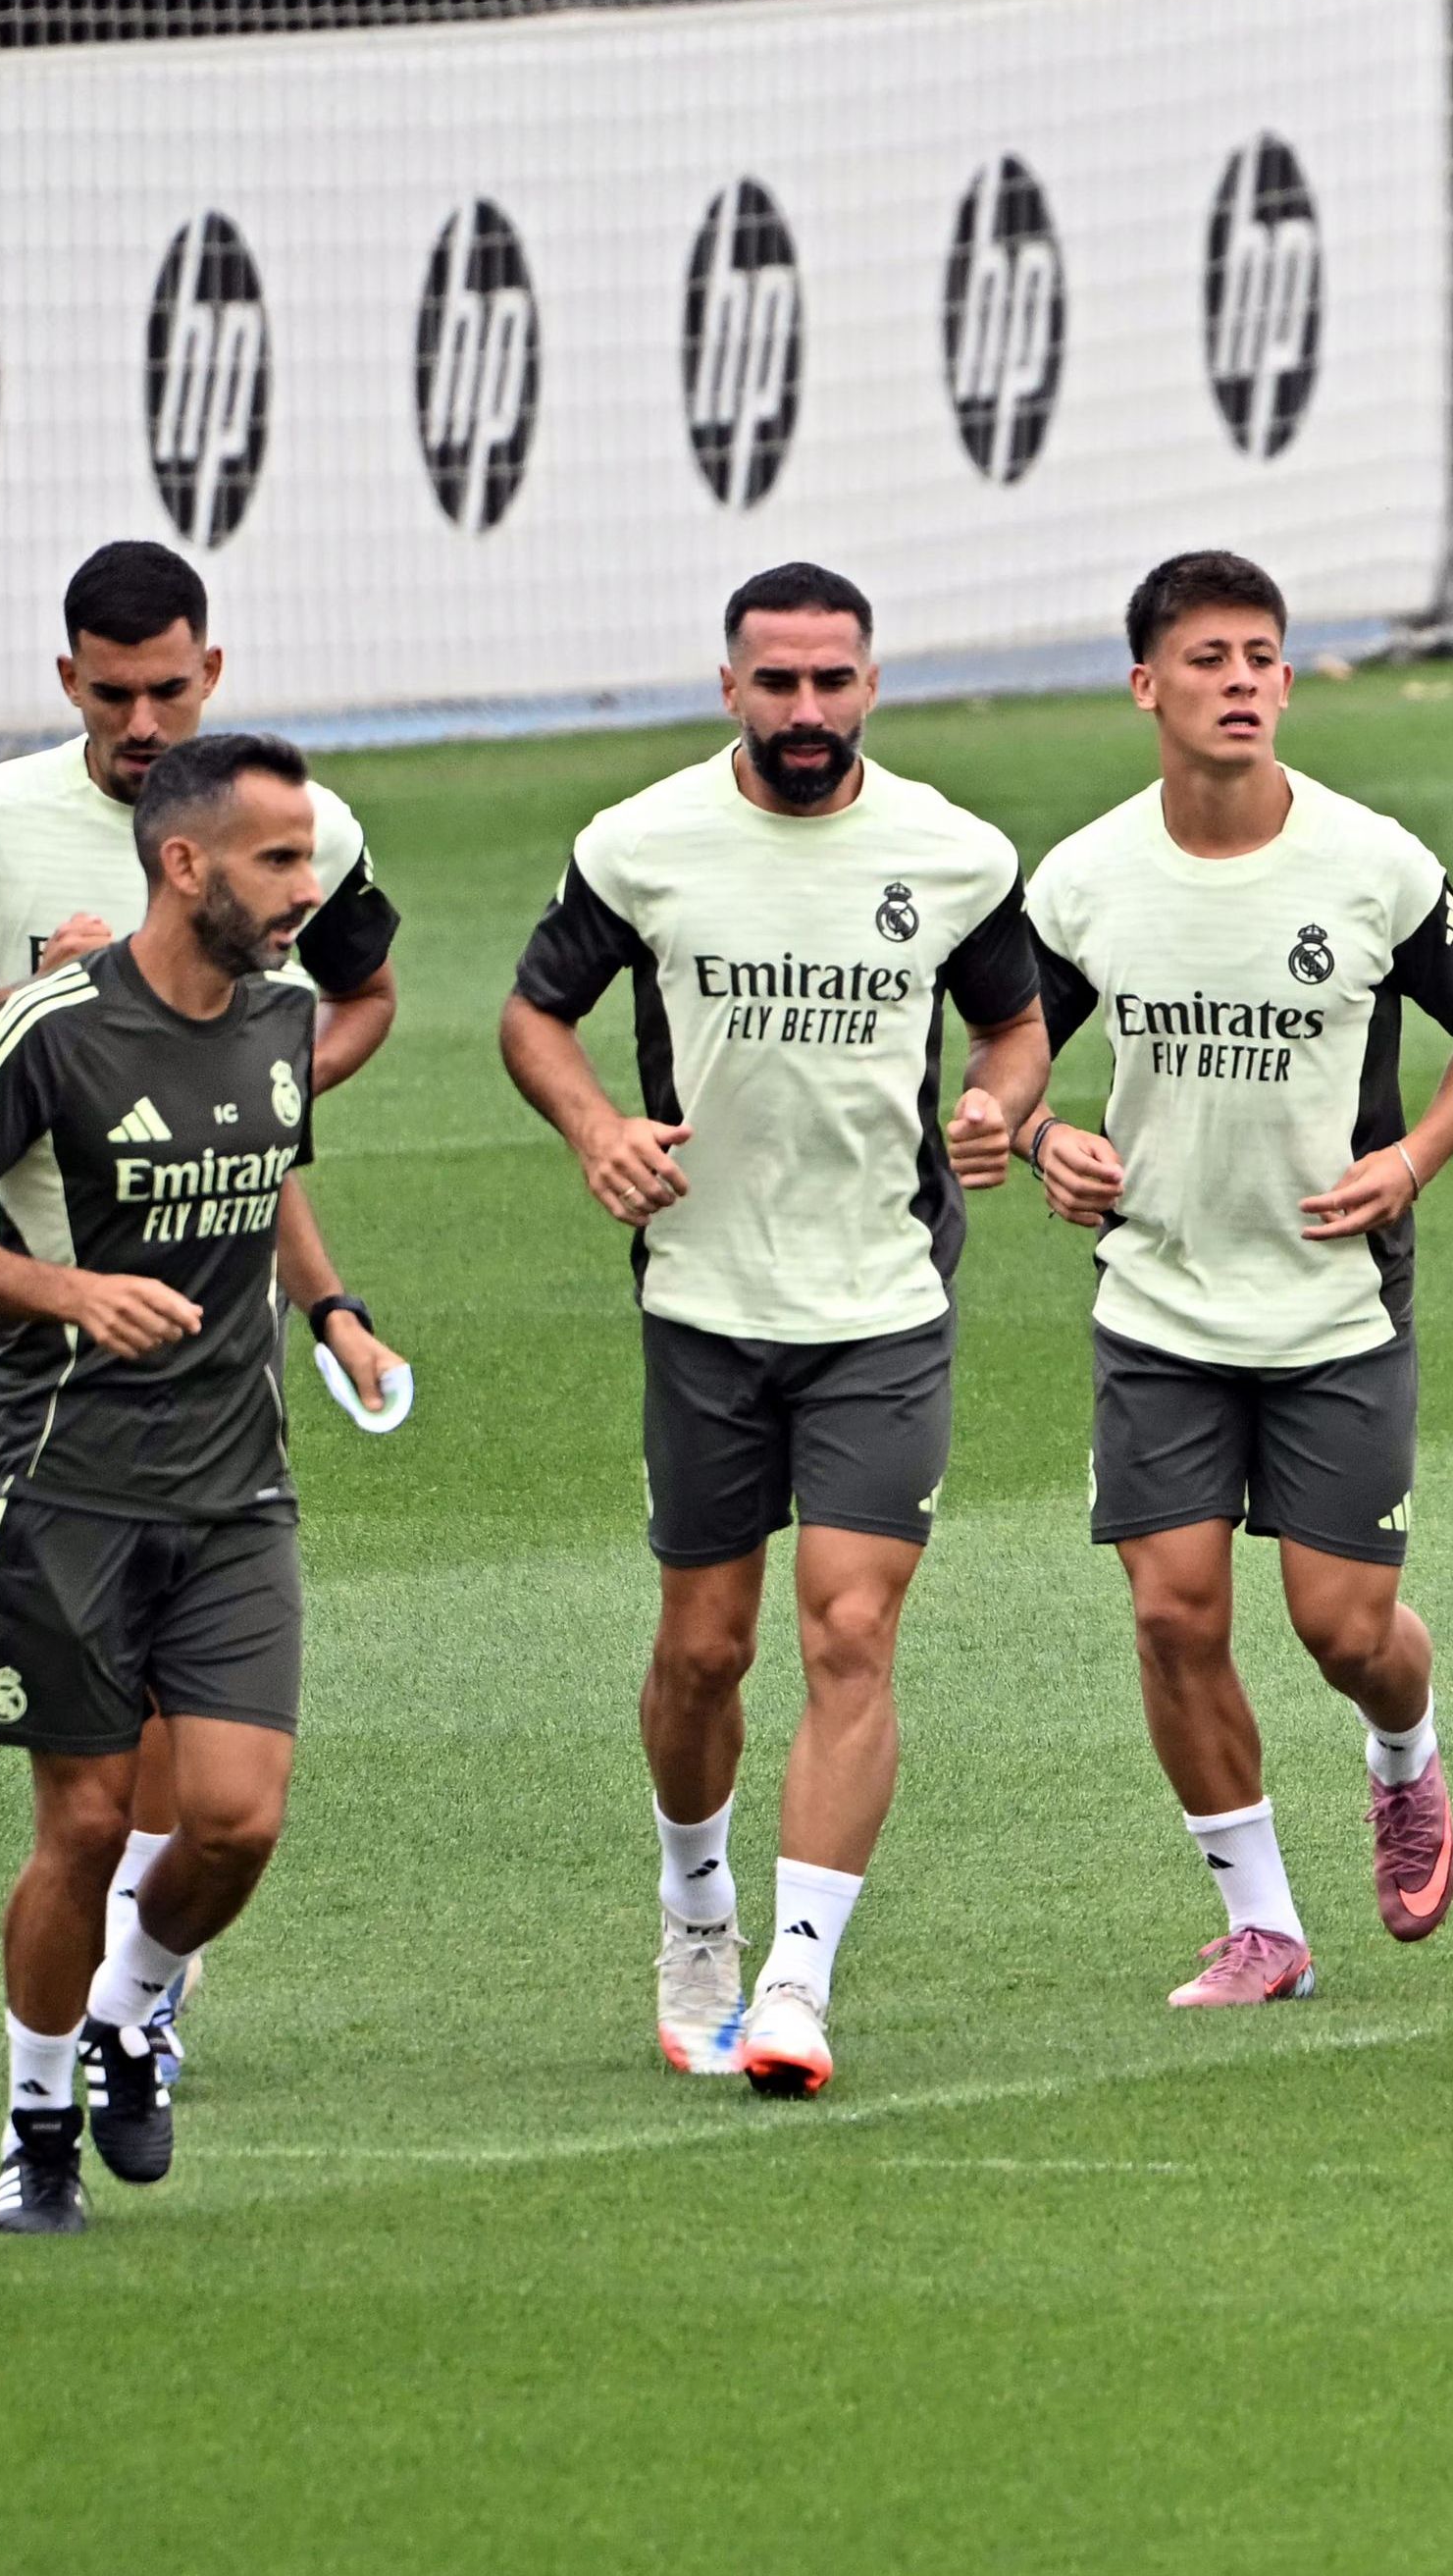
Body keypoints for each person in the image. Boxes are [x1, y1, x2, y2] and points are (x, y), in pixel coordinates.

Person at [502, 564, 1048, 2099]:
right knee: (702, 1651)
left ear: (871, 684)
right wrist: (593, 1124)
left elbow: (1013, 1018)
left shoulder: (951, 854)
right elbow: (532, 1014)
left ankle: (797, 1984)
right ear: (727, 686)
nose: (807, 712)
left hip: (882, 1298)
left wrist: (1003, 1102)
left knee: (849, 1629)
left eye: (834, 683)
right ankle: (697, 1913)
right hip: (703, 1303)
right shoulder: (642, 845)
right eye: (778, 684)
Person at [0, 732, 406, 2233]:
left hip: (240, 1490)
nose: (309, 890)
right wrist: (69, 1295)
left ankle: (127, 2010)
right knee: (87, 1828)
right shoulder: (52, 1031)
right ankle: (37, 2125)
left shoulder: (278, 1025)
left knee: (234, 1823)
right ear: (185, 864)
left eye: (309, 859)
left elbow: (269, 1165)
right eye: (279, 862)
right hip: (68, 1483)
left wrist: (332, 1307)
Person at [1015, 552, 1453, 2008]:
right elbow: (999, 1070)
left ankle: (1404, 1756)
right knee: (1175, 1613)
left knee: (1341, 1628)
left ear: (1288, 682)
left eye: (1260, 657)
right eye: (1207, 659)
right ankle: (1262, 1925)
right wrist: (1045, 1135)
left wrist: (1412, 1159)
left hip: (1333, 1301)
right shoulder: (1087, 879)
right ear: (1146, 688)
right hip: (1160, 1301)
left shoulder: (1372, 866)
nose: (1239, 682)